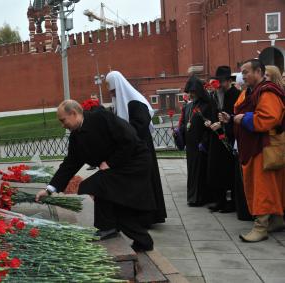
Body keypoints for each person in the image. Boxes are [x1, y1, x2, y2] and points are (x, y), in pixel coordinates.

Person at [35, 100, 158, 251]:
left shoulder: (101, 118)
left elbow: (130, 139)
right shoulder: (76, 137)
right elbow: (70, 164)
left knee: (97, 185)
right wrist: (49, 189)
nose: (62, 125)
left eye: (63, 120)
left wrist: (110, 162)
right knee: (116, 203)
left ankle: (109, 228)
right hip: (116, 167)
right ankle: (140, 239)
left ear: (73, 114)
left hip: (134, 162)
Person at [219, 59, 285, 242]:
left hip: (265, 147)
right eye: (242, 72)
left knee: (262, 187)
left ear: (258, 72)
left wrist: (244, 119)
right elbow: (247, 112)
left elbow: (269, 118)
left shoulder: (267, 91)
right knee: (267, 186)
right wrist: (232, 118)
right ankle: (277, 219)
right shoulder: (252, 92)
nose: (243, 76)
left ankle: (261, 226)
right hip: (255, 146)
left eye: (246, 72)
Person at [105, 70, 166, 226]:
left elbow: (139, 126)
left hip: (141, 149)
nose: (109, 91)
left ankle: (147, 218)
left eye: (110, 88)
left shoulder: (136, 101)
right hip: (131, 150)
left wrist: (122, 135)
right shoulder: (121, 102)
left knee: (144, 184)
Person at [204, 66, 241, 213]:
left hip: (230, 138)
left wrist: (225, 123)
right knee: (216, 169)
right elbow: (213, 113)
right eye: (219, 81)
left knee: (229, 171)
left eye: (224, 81)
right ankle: (219, 200)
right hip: (216, 137)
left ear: (229, 81)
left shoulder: (236, 94)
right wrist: (211, 122)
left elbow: (236, 114)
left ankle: (231, 202)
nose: (221, 84)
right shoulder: (215, 95)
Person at [181, 76, 213, 206]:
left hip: (201, 145)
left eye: (194, 92)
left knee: (201, 171)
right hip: (191, 146)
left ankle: (200, 198)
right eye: (190, 92)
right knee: (192, 171)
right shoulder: (189, 106)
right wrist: (179, 132)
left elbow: (209, 125)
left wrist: (204, 142)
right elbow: (185, 123)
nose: (192, 95)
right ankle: (192, 197)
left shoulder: (207, 104)